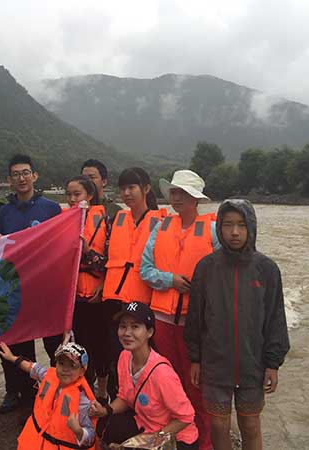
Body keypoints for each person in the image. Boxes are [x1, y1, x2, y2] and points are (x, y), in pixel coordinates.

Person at [184, 199, 290, 450]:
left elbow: (276, 319)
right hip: (215, 362)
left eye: (241, 225)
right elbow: (195, 317)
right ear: (219, 227)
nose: (234, 232)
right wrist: (195, 358)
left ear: (251, 228)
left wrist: (272, 364)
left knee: (251, 426)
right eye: (228, 225)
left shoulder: (266, 268)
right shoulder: (206, 268)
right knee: (219, 426)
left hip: (253, 364)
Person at [140, 170, 218, 450]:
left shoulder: (212, 230)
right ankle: (181, 436)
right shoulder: (160, 228)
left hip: (196, 322)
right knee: (170, 383)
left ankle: (205, 441)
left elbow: (224, 273)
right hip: (162, 320)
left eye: (183, 193)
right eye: (174, 192)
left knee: (198, 383)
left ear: (196, 199)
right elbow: (145, 269)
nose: (177, 198)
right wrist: (170, 279)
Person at [0, 154, 63, 413]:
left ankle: (60, 390)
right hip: (16, 289)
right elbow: (1, 249)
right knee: (19, 344)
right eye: (16, 174)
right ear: (9, 180)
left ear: (35, 176)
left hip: (46, 289)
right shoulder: (5, 212)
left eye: (26, 173)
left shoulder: (51, 209)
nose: (21, 178)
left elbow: (61, 246)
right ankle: (26, 395)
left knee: (54, 344)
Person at [89, 301, 199, 450]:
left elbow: (186, 417)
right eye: (123, 326)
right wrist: (105, 410)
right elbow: (125, 397)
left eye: (135, 327)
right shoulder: (124, 357)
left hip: (176, 438)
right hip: (146, 424)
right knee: (107, 426)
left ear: (149, 332)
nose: (127, 333)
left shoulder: (162, 374)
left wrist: (148, 442)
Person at [99, 167, 166, 401]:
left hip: (142, 300)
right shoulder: (117, 219)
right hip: (114, 299)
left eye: (132, 188)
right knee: (116, 355)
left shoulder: (161, 221)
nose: (126, 193)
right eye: (122, 189)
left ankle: (146, 406)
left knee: (143, 358)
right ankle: (118, 403)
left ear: (146, 189)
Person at [0, 341, 97, 450]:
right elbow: (33, 368)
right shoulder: (49, 376)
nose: (65, 369)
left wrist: (78, 431)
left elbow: (91, 435)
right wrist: (12, 358)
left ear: (82, 371)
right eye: (61, 363)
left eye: (72, 365)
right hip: (36, 441)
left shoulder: (82, 402)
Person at [65, 175, 108, 391]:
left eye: (77, 194)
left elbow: (110, 261)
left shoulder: (105, 220)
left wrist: (88, 252)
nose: (73, 199)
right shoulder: (62, 221)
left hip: (96, 296)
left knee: (100, 346)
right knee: (77, 346)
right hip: (74, 299)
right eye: (69, 195)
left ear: (89, 195)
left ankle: (102, 392)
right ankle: (82, 389)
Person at [80, 158, 121, 225]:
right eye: (84, 178)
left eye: (92, 177)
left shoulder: (116, 211)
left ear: (104, 182)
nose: (87, 181)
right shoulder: (76, 209)